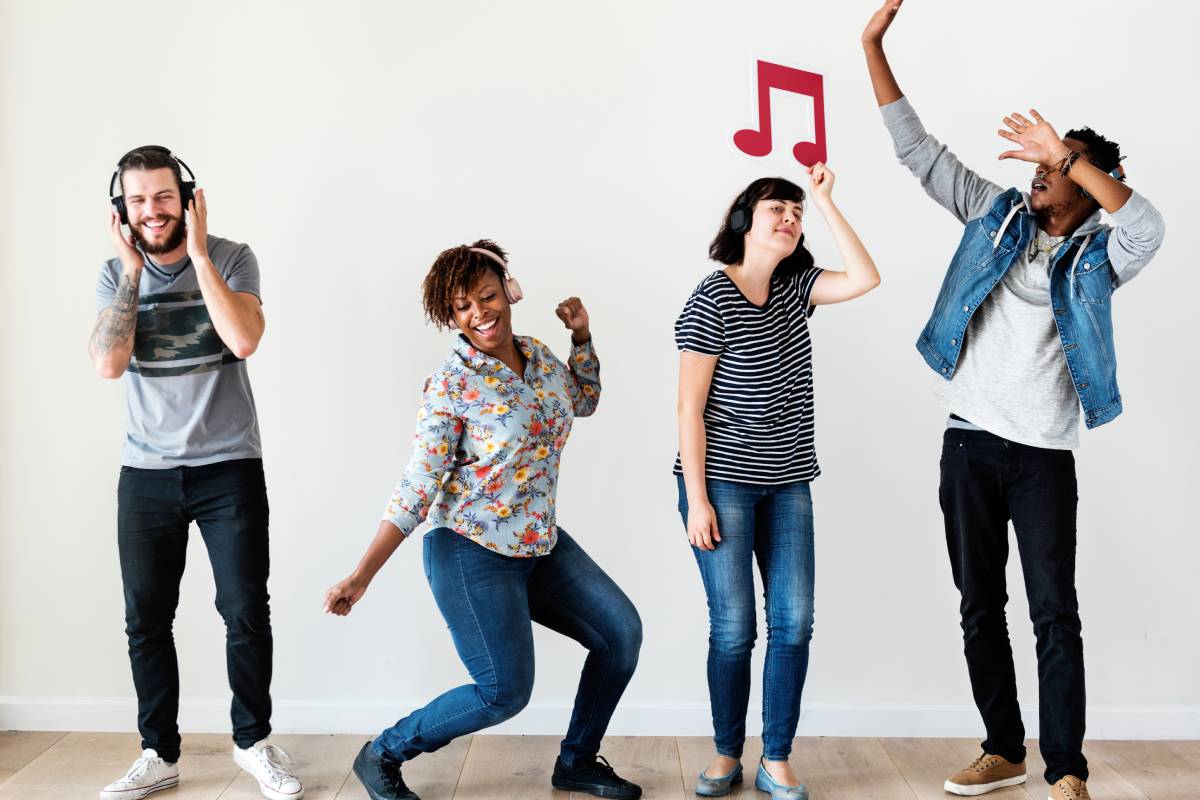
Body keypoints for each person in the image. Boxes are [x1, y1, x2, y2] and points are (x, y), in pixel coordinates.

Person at [862, 3, 1166, 798]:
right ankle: (1004, 748)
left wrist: (1067, 150)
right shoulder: (995, 216)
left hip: (1042, 456)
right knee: (978, 606)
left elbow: (1149, 225)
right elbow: (917, 152)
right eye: (1035, 166)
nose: (1036, 175)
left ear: (1086, 185)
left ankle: (1066, 769)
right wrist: (872, 45)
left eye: (1052, 169)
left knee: (1054, 615)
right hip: (968, 443)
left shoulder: (1100, 256)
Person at [324, 241, 644, 800]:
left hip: (537, 543)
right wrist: (361, 575)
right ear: (450, 316)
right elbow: (417, 488)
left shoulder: (540, 357)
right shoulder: (450, 386)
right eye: (463, 307)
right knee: (503, 692)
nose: (480, 313)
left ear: (509, 291)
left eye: (488, 296)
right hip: (470, 550)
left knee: (620, 634)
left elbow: (584, 400)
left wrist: (582, 338)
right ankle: (382, 753)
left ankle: (577, 762)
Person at [91, 146, 302, 800]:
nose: (151, 211)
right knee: (145, 618)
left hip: (228, 468)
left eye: (162, 196)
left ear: (186, 197)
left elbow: (244, 339)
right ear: (122, 210)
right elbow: (107, 363)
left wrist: (201, 256)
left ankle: (253, 742)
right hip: (146, 474)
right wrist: (131, 274)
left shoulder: (233, 257)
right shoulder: (111, 273)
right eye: (137, 201)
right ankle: (159, 752)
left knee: (244, 610)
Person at [675, 165, 881, 800]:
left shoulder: (796, 290)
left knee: (794, 621)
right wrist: (699, 501)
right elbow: (689, 408)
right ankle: (725, 753)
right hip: (723, 485)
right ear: (744, 220)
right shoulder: (711, 297)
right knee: (734, 627)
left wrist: (825, 201)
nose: (791, 219)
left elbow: (866, 278)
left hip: (789, 481)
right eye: (779, 209)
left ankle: (778, 757)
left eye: (798, 213)